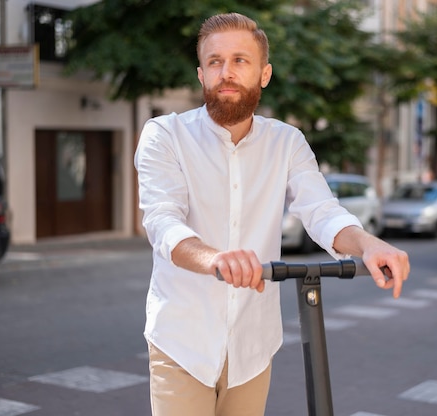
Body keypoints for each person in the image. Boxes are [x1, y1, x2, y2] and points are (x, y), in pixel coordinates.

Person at [134, 12, 410, 416]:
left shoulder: (287, 141)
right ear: (201, 74)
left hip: (251, 344)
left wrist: (367, 244)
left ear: (264, 74)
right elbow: (163, 222)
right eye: (215, 62)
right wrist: (217, 259)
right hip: (182, 341)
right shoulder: (165, 135)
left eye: (240, 61)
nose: (226, 72)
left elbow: (320, 211)